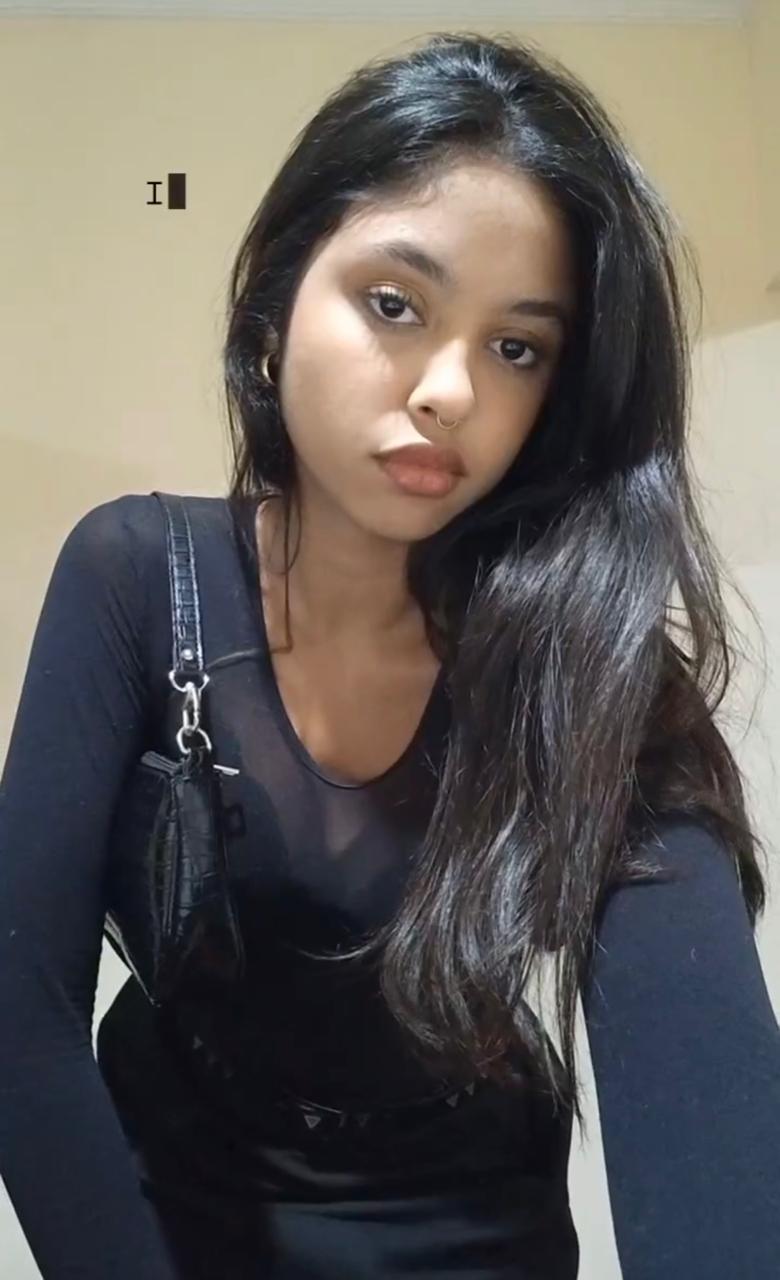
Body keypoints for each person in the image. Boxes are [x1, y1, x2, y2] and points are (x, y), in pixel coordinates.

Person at [1, 28, 779, 1280]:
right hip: (165, 1213)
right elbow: (18, 1015)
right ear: (273, 309)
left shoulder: (594, 672)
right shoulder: (138, 577)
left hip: (471, 1237)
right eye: (395, 304)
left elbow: (709, 1120)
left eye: (517, 347)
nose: (449, 390)